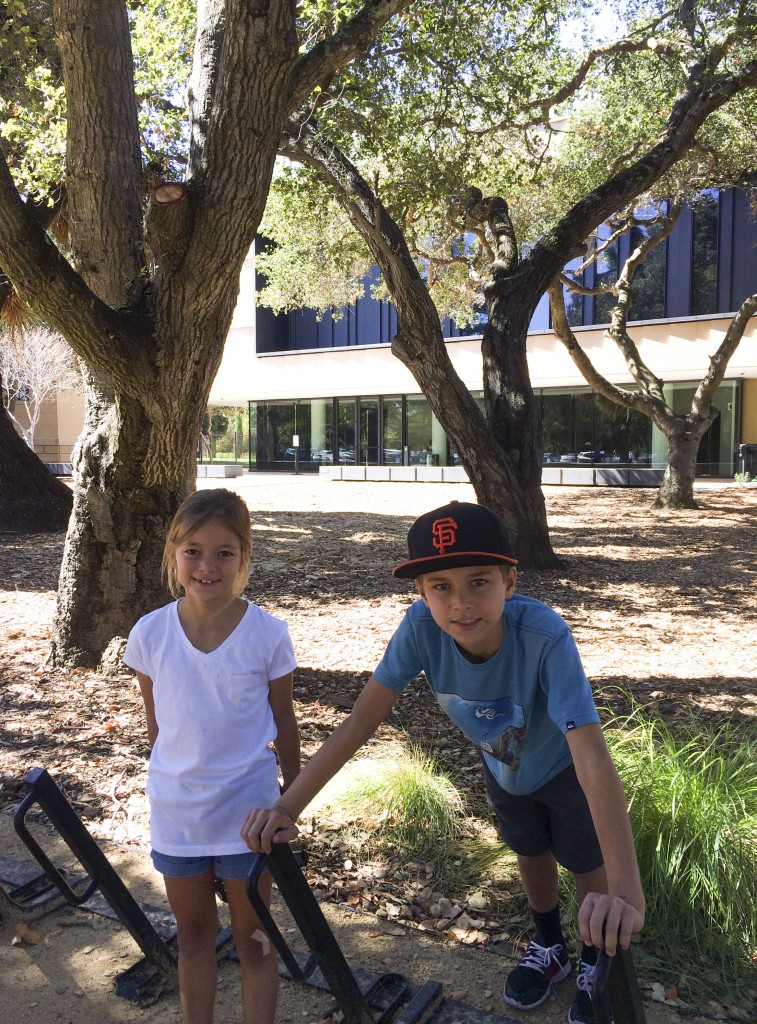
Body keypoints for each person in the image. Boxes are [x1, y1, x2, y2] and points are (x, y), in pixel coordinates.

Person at [241, 500, 644, 1024]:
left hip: (564, 771)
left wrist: (627, 890)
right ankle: (549, 947)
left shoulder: (544, 636)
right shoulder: (419, 630)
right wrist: (287, 805)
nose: (461, 603)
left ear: (509, 580)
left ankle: (597, 959)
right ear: (421, 592)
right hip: (503, 767)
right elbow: (362, 721)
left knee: (586, 864)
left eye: (479, 581)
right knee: (528, 850)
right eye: (441, 586)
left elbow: (592, 757)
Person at [124, 488, 300, 1024]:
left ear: (244, 559)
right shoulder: (150, 634)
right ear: (173, 554)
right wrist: (168, 788)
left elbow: (285, 723)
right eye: (193, 551)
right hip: (179, 816)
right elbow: (159, 729)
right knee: (194, 937)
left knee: (254, 941)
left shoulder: (267, 634)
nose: (207, 565)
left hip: (250, 818)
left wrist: (290, 803)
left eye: (224, 552)